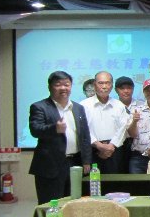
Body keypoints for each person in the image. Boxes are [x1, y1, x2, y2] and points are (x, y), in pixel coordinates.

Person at [30, 71, 92, 204]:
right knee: (51, 203)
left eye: (67, 84)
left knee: (73, 202)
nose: (63, 88)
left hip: (75, 163)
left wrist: (86, 160)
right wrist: (54, 128)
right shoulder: (39, 107)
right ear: (50, 87)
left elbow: (85, 136)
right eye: (58, 85)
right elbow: (35, 130)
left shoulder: (78, 108)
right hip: (50, 165)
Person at [81, 71, 130, 174]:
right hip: (92, 150)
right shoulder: (84, 105)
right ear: (94, 84)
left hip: (114, 151)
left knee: (114, 185)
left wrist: (111, 146)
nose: (104, 86)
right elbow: (83, 129)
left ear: (112, 86)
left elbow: (123, 128)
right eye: (101, 83)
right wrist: (98, 145)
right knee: (93, 186)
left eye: (107, 83)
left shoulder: (119, 105)